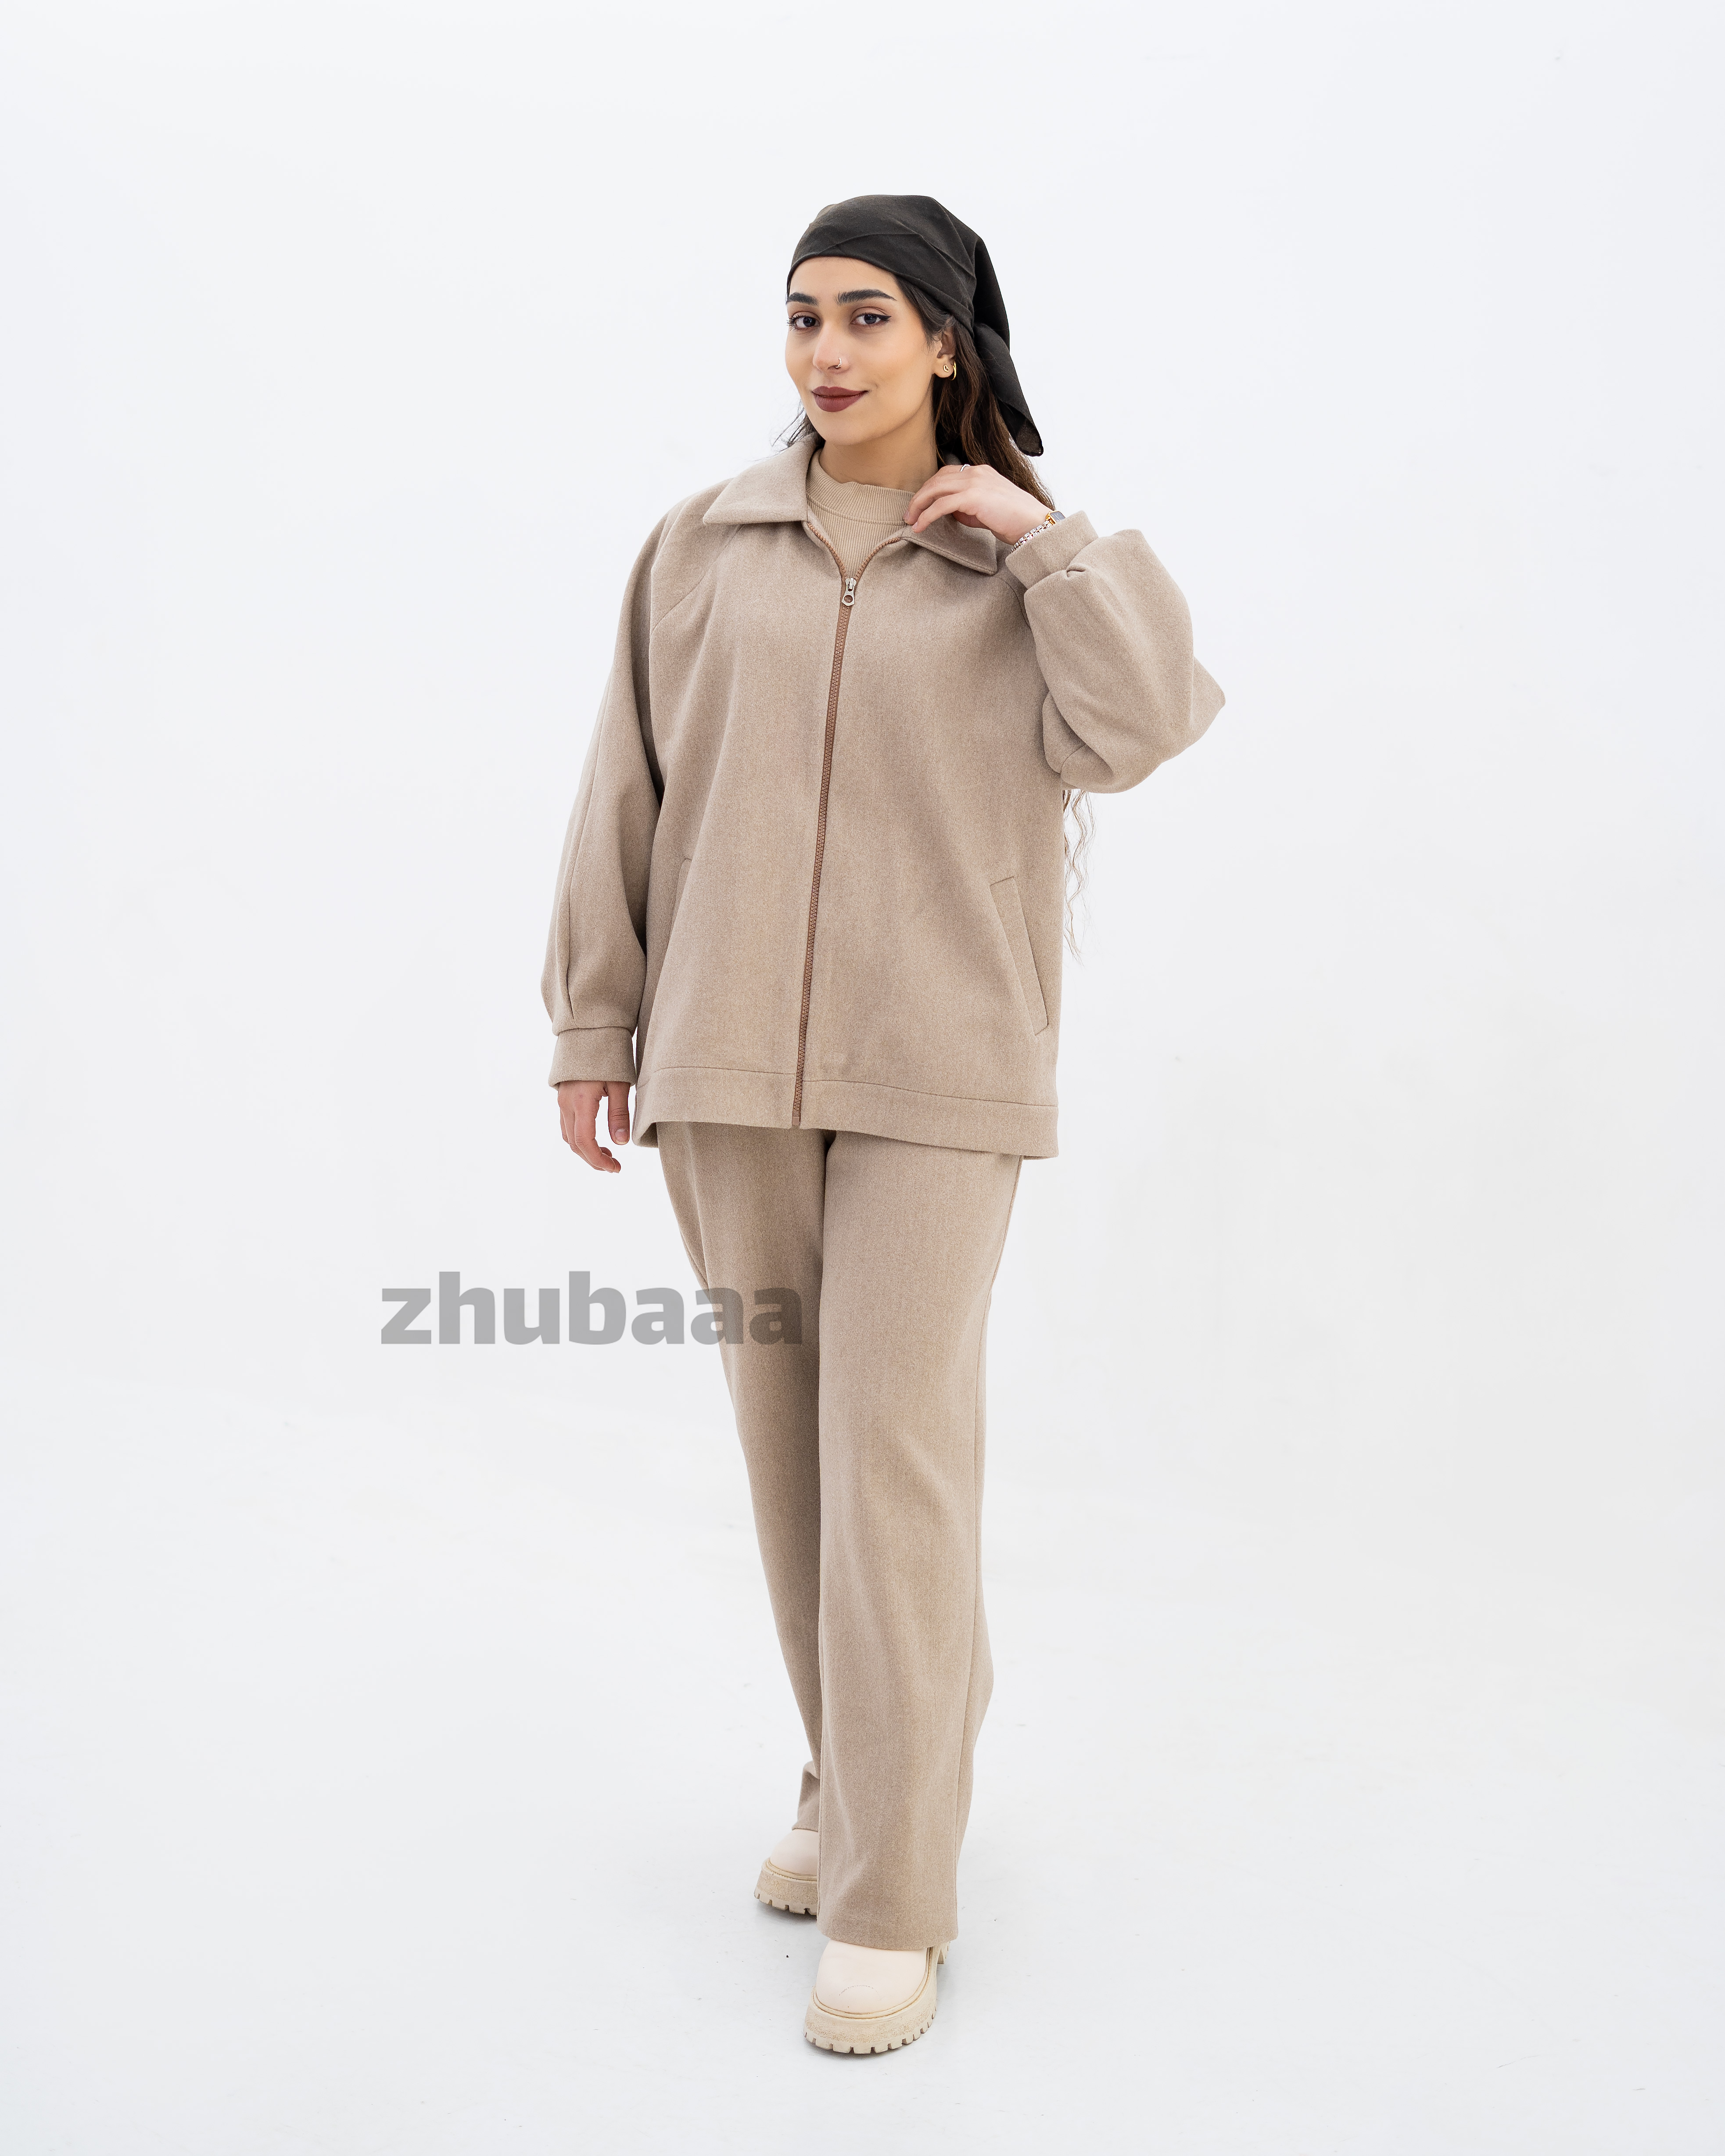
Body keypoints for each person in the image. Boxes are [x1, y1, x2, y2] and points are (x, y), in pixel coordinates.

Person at [542, 193, 1224, 2054]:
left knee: (893, 1454)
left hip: (941, 1064)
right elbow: (625, 786)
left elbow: (1144, 727)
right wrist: (593, 1020)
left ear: (944, 338)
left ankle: (895, 1887)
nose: (826, 351)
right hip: (722, 1066)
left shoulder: (1015, 559)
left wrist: (1045, 544)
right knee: (794, 1457)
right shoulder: (702, 545)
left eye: (866, 316)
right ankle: (852, 1777)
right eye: (800, 316)